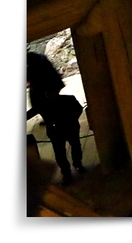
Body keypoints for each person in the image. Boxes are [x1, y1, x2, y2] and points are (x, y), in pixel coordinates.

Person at [26, 52, 85, 186]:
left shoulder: (39, 92)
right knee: (68, 149)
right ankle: (75, 167)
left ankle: (71, 170)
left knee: (64, 150)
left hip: (58, 126)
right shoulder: (67, 100)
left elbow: (37, 108)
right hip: (63, 126)